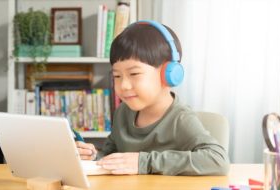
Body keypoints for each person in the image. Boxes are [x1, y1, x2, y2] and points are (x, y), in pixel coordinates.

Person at [76, 20, 230, 175]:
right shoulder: (123, 112)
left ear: (169, 74)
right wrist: (93, 156)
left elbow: (218, 160)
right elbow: (112, 155)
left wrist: (144, 162)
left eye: (134, 74)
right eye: (117, 76)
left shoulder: (181, 119)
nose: (123, 85)